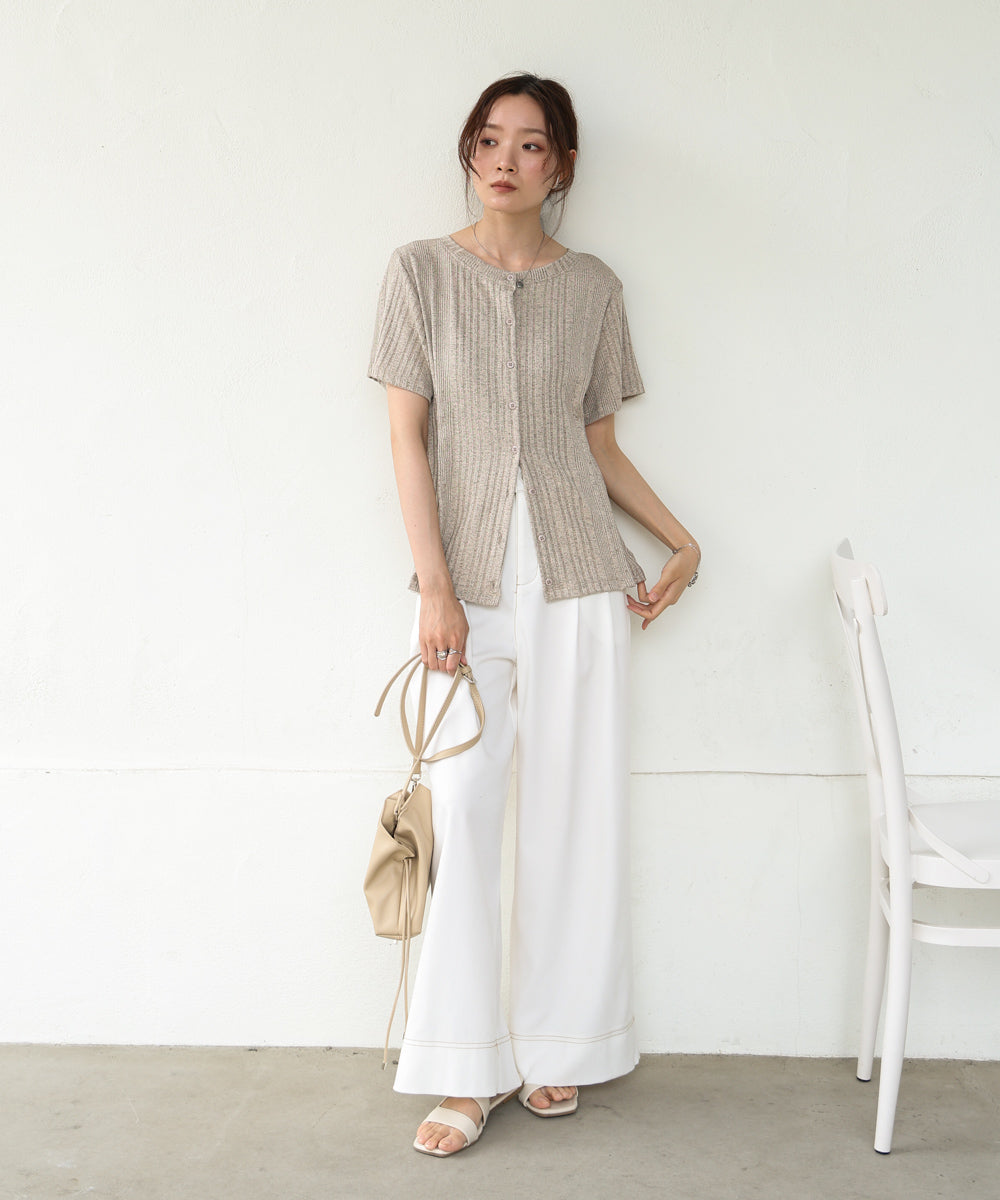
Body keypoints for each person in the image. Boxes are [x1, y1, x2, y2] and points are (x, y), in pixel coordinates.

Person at [368, 72, 700, 1157]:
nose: (504, 160)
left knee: (573, 817)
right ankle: (467, 1072)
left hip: (580, 582)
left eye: (530, 144)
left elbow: (598, 447)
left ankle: (556, 1045)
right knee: (464, 813)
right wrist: (434, 586)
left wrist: (682, 541)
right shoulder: (419, 273)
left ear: (561, 166)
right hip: (464, 589)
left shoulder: (594, 287)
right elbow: (406, 438)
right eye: (489, 139)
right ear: (470, 152)